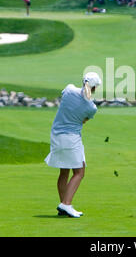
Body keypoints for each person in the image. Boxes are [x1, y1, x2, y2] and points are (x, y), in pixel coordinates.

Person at [45, 72, 101, 218]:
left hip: (56, 135)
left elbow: (66, 100)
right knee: (79, 172)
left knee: (64, 171)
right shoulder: (92, 108)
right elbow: (83, 121)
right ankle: (66, 204)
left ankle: (64, 205)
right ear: (94, 88)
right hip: (71, 138)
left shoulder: (69, 89)